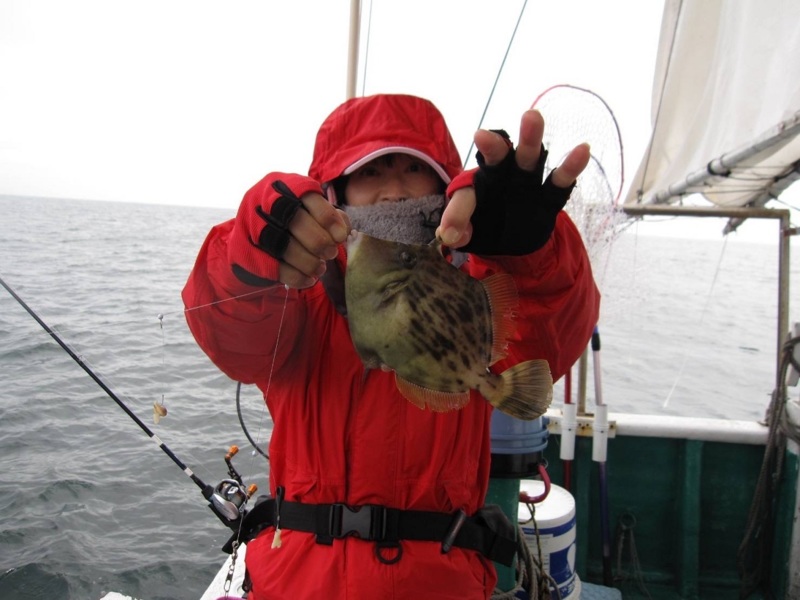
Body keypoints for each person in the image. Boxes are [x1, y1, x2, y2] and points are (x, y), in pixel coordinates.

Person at [182, 93, 600, 600]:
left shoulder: (477, 275)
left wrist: (534, 253)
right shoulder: (298, 295)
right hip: (296, 582)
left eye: (411, 171)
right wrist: (254, 245)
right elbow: (229, 332)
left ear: (444, 187)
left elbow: (556, 326)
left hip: (441, 582)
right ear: (336, 193)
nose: (392, 192)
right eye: (371, 173)